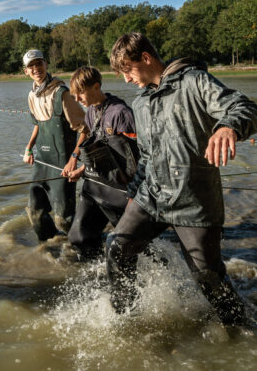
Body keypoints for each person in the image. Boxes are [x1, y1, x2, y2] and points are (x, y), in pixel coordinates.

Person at [106, 32, 257, 326]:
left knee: (209, 280)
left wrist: (228, 127)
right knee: (116, 246)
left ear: (146, 58)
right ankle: (127, 319)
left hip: (193, 201)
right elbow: (147, 157)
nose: (126, 80)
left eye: (127, 70)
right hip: (151, 196)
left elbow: (246, 107)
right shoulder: (140, 103)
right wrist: (133, 195)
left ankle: (242, 330)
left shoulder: (196, 82)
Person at [63, 66, 138, 259]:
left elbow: (139, 158)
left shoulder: (121, 113)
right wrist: (81, 168)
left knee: (132, 246)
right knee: (77, 236)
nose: (77, 100)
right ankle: (94, 273)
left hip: (120, 191)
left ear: (96, 87)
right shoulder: (90, 113)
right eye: (74, 95)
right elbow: (99, 152)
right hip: (95, 187)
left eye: (80, 93)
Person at [22, 50, 88, 241]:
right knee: (34, 211)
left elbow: (85, 129)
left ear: (46, 64)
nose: (36, 69)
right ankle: (51, 247)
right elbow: (37, 126)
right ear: (26, 71)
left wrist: (74, 158)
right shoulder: (31, 96)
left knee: (63, 219)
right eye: (31, 66)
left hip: (63, 164)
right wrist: (28, 148)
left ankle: (83, 248)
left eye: (39, 64)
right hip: (42, 162)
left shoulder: (62, 93)